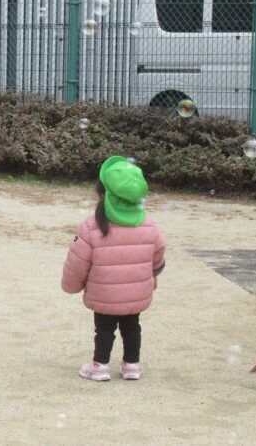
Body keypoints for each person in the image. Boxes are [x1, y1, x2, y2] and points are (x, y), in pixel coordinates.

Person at [61, 156, 166, 381]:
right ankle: (132, 366)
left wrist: (71, 286)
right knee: (132, 327)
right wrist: (153, 275)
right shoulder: (149, 225)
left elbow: (77, 263)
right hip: (136, 293)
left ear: (103, 194)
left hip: (104, 294)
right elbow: (157, 257)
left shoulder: (91, 226)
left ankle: (100, 367)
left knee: (104, 329)